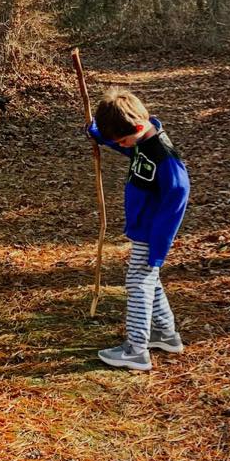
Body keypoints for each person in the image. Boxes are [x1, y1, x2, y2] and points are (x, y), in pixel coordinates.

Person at [87, 84, 190, 372]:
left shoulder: (166, 161)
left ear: (139, 125)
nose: (121, 145)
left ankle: (136, 350)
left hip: (152, 233)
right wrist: (97, 134)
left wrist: (159, 248)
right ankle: (166, 335)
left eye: (123, 140)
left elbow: (176, 201)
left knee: (137, 283)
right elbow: (127, 149)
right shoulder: (141, 141)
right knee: (148, 280)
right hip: (143, 228)